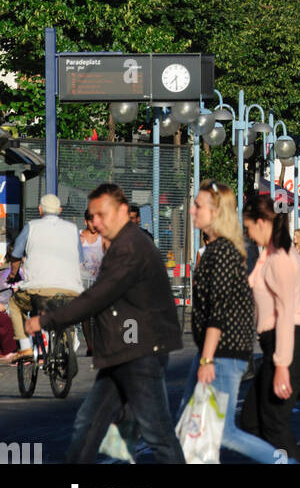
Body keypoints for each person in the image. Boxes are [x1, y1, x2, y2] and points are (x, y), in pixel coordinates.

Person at [25, 183, 184, 463]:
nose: (95, 222)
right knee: (88, 426)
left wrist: (47, 320)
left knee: (156, 434)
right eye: (92, 216)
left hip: (138, 353)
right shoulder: (126, 243)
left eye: (102, 214)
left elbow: (99, 296)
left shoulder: (129, 247)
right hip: (125, 352)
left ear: (123, 210)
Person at [177, 181, 291, 463]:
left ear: (217, 212)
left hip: (223, 354)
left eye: (198, 206)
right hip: (216, 352)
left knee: (223, 432)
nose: (192, 211)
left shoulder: (224, 252)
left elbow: (219, 310)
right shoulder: (217, 250)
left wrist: (206, 360)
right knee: (191, 426)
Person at [241, 196, 300, 464]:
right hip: (277, 345)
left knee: (274, 427)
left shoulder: (282, 259)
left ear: (262, 223)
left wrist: (282, 365)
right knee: (251, 421)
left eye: (249, 227)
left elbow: (285, 313)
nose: (248, 234)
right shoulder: (271, 254)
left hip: (287, 345)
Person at [8, 193, 83, 359]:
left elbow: (16, 256)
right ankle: (65, 348)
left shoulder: (32, 226)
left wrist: (13, 275)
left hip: (39, 289)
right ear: (60, 210)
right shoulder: (72, 229)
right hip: (71, 290)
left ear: (40, 209)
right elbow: (80, 259)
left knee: (14, 304)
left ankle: (25, 347)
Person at [79, 207, 106, 356]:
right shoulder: (79, 237)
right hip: (82, 281)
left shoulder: (103, 238)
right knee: (85, 316)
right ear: (86, 221)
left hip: (98, 281)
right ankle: (90, 346)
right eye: (91, 221)